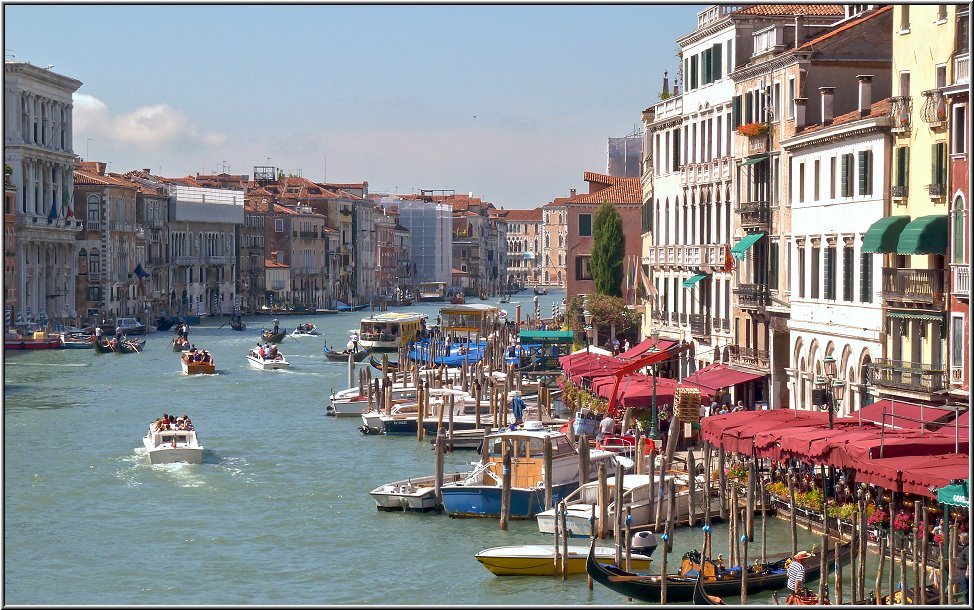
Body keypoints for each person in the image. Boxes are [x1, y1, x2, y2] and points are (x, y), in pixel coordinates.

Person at [954, 531, 969, 604]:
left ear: (966, 539)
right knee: (963, 587)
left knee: (966, 588)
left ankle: (967, 603)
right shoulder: (965, 547)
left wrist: (968, 571)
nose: (960, 540)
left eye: (961, 539)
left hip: (964, 571)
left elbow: (969, 560)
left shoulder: (968, 548)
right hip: (961, 571)